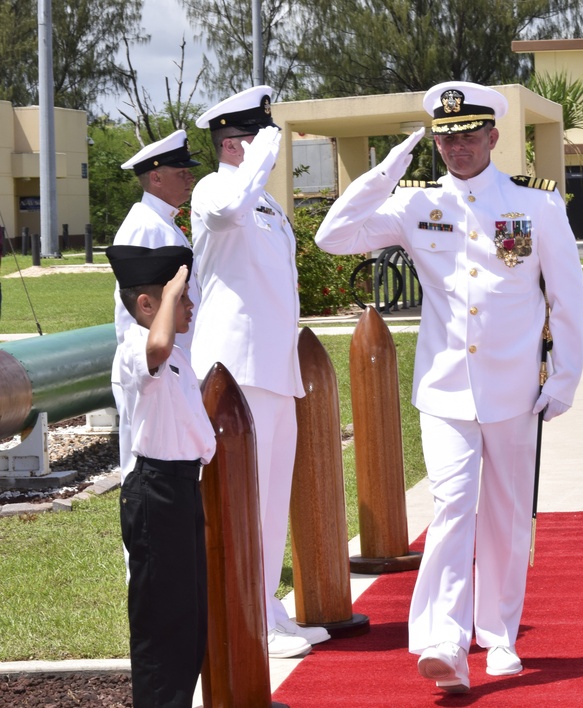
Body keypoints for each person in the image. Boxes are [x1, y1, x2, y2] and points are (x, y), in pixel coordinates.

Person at [315, 81, 583, 694]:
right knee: (452, 504)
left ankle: (500, 634)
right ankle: (442, 639)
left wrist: (564, 376)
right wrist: (385, 171)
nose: (456, 147)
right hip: (443, 389)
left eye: (467, 135)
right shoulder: (415, 205)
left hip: (515, 388)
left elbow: (566, 300)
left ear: (493, 136)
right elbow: (333, 235)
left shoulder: (536, 207)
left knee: (510, 515)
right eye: (445, 137)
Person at [190, 85, 329, 659]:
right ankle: (241, 613)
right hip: (235, 372)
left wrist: (262, 168)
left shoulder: (264, 203)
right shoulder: (216, 189)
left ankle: (265, 605)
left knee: (271, 498)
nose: (272, 149)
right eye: (260, 138)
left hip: (273, 369)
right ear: (236, 144)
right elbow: (226, 212)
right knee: (241, 497)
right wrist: (261, 160)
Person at [107, 245, 216, 708]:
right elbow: (156, 347)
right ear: (147, 304)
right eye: (178, 296)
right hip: (155, 492)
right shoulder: (137, 345)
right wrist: (172, 294)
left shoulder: (177, 356)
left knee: (188, 620)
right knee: (162, 624)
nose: (188, 304)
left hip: (180, 490)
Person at [111, 130, 201, 483]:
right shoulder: (144, 227)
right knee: (145, 476)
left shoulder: (163, 222)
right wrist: (153, 365)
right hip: (151, 369)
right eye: (181, 171)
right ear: (156, 177)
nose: (190, 176)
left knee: (171, 474)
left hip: (168, 364)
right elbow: (134, 308)